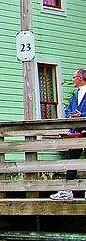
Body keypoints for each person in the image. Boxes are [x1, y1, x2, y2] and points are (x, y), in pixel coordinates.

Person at [51, 68, 86, 200]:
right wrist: (70, 116)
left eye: (74, 77)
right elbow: (68, 110)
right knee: (72, 161)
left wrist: (81, 115)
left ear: (80, 78)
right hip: (75, 131)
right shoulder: (75, 94)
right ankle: (68, 190)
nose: (73, 80)